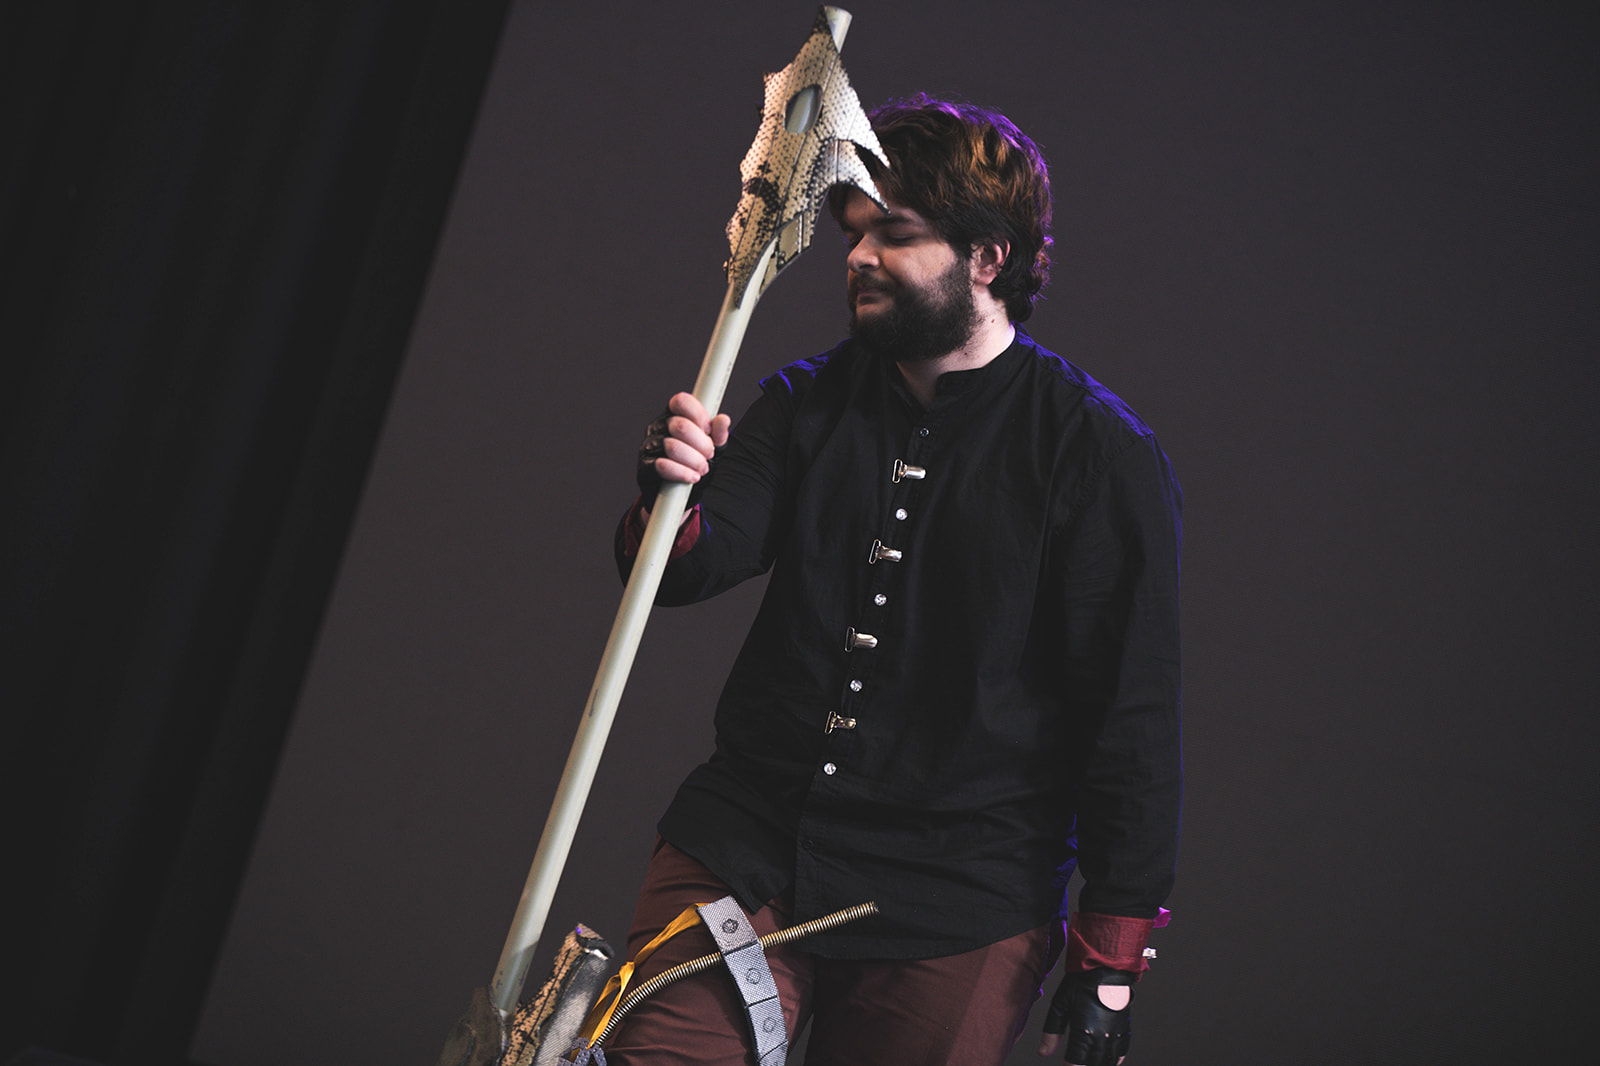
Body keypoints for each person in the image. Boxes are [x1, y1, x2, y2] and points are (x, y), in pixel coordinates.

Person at [609, 95, 1182, 1066]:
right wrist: (673, 490)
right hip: (750, 846)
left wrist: (1109, 963)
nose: (860, 256)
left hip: (959, 897)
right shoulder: (805, 400)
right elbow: (686, 567)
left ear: (987, 257)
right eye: (855, 234)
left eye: (897, 235)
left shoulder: (1096, 453)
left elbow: (1131, 717)